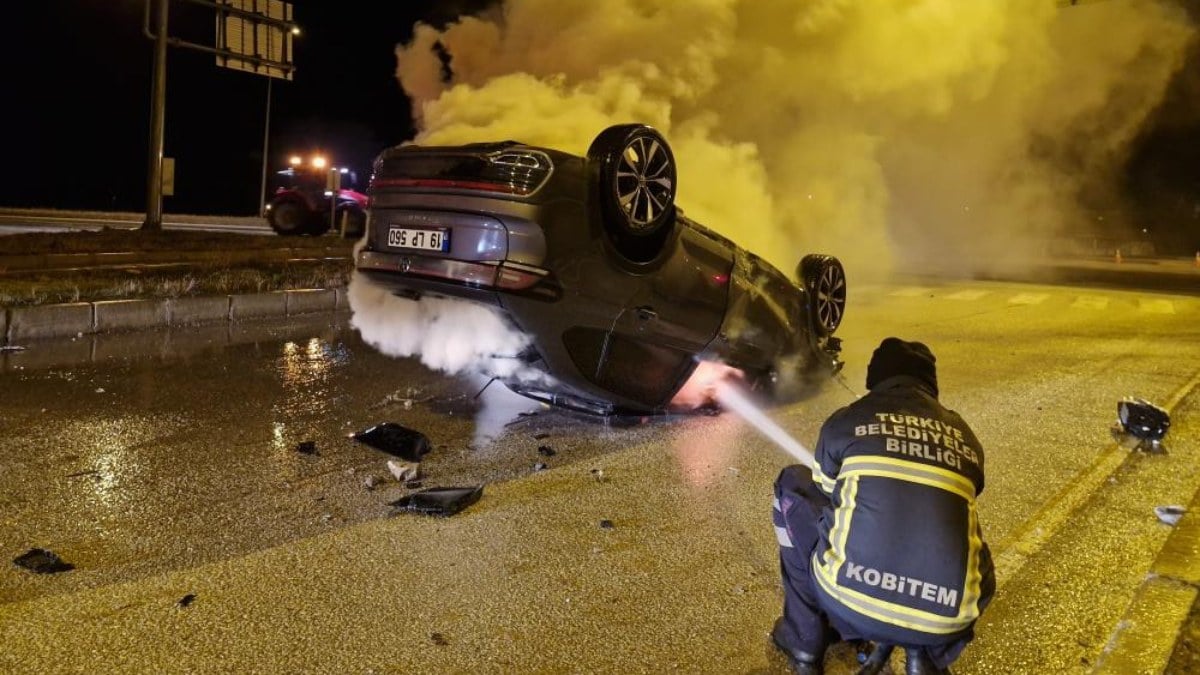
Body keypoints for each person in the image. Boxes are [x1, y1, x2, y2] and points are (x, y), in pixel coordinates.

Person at [770, 337, 994, 675]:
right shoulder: (964, 434)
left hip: (849, 603)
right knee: (964, 536)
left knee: (793, 486)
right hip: (946, 619)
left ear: (874, 379)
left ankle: (805, 642)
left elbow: (827, 493)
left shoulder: (847, 419)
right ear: (931, 386)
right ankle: (925, 655)